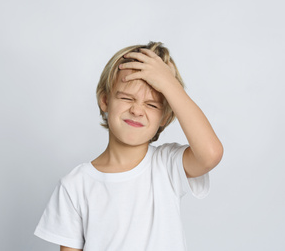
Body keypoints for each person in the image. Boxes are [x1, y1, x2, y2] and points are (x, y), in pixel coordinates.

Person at [34, 41, 223, 251]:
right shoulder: (75, 185)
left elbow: (210, 154)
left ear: (165, 117)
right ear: (105, 100)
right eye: (126, 98)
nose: (137, 110)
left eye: (151, 104)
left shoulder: (167, 165)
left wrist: (169, 84)